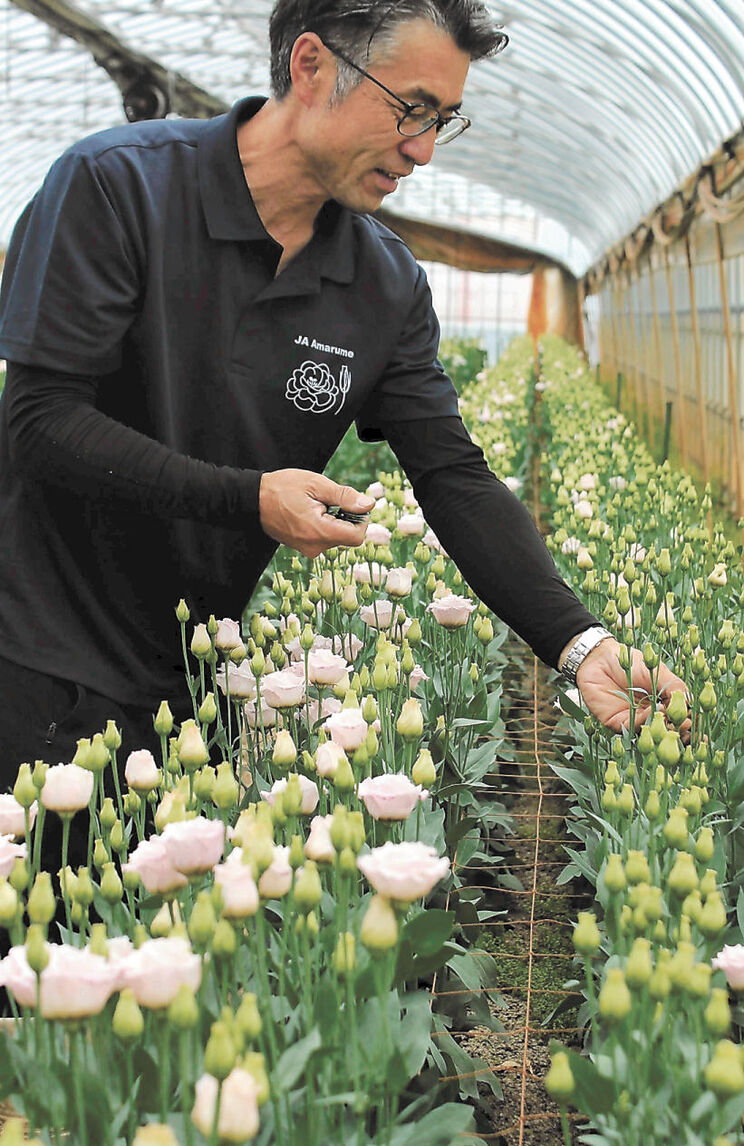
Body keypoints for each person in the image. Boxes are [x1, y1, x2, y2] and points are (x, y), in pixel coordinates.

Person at [0, 0, 687, 872]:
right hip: (31, 653)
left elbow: (454, 474)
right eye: (410, 109)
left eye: (444, 120)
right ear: (312, 66)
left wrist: (579, 642)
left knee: (134, 949)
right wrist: (248, 499)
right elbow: (40, 422)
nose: (425, 149)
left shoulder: (382, 282)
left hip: (193, 680)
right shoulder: (118, 186)